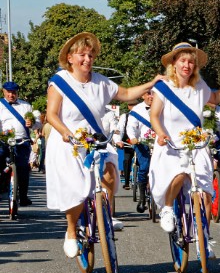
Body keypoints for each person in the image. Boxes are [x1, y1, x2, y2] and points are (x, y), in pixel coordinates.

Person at [46, 32, 163, 258]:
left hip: (95, 138)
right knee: (76, 188)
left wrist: (152, 82)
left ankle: (104, 215)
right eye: (82, 55)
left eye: (91, 55)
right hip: (68, 140)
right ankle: (71, 231)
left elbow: (127, 93)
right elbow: (51, 114)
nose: (87, 59)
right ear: (70, 58)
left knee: (110, 171)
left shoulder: (101, 82)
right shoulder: (59, 82)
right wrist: (66, 133)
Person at [150, 42, 220, 259]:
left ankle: (205, 238)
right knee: (179, 173)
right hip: (171, 144)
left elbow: (216, 98)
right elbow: (154, 116)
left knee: (205, 193)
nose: (187, 65)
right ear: (174, 63)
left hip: (196, 144)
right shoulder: (163, 87)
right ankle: (167, 207)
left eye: (191, 61)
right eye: (183, 60)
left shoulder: (199, 86)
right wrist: (161, 133)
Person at [0, 81, 35, 208]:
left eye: (14, 92)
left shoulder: (26, 106)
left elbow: (37, 123)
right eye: (8, 92)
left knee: (23, 170)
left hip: (22, 142)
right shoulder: (0, 105)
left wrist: (33, 123)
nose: (11, 95)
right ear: (4, 92)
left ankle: (23, 196)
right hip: (4, 142)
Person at [126, 91, 154, 213]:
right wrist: (132, 137)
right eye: (148, 93)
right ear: (143, 95)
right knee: (145, 167)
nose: (151, 96)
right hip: (142, 143)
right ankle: (142, 197)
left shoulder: (165, 106)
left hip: (160, 143)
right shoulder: (137, 110)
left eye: (154, 94)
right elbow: (131, 127)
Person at [116, 101, 137, 190]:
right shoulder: (125, 116)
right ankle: (127, 182)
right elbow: (119, 129)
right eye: (131, 105)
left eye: (135, 105)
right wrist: (118, 141)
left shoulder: (145, 115)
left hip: (141, 142)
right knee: (127, 160)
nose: (133, 107)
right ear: (128, 106)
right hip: (128, 142)